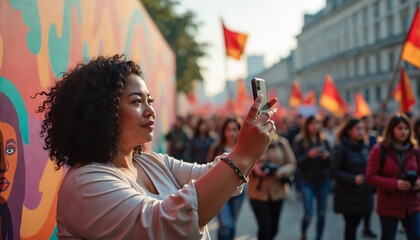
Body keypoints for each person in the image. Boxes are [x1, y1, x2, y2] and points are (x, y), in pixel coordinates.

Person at [35, 54, 278, 239]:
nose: (150, 110)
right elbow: (165, 225)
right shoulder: (85, 182)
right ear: (101, 112)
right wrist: (243, 154)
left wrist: (250, 148)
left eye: (149, 100)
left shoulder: (152, 161)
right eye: (136, 101)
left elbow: (213, 178)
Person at [366, 113, 420, 240]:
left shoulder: (415, 150)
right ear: (392, 130)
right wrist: (394, 184)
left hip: (411, 204)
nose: (403, 132)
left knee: (416, 236)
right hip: (389, 205)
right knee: (388, 237)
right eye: (399, 128)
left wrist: (418, 182)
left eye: (406, 128)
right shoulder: (379, 150)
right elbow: (371, 176)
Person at [330, 118, 374, 240]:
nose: (361, 131)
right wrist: (352, 179)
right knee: (351, 228)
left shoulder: (364, 146)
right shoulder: (341, 148)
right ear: (349, 131)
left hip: (363, 194)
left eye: (362, 128)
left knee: (356, 225)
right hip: (347, 196)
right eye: (358, 129)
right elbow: (334, 171)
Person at [247, 135, 296, 240]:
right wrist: (254, 168)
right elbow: (243, 163)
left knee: (274, 228)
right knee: (265, 227)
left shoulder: (281, 143)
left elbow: (292, 163)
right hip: (257, 192)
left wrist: (281, 171)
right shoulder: (252, 143)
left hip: (278, 192)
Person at [206, 117, 245, 240]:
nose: (232, 133)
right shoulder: (217, 148)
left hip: (238, 192)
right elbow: (208, 168)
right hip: (220, 192)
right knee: (225, 224)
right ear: (224, 131)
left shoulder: (243, 148)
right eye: (228, 129)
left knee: (232, 224)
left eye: (235, 129)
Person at [293, 115, 331, 240]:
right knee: (308, 213)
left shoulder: (324, 141)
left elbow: (331, 163)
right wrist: (309, 155)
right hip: (306, 181)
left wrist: (326, 157)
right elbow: (297, 162)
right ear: (307, 126)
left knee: (321, 214)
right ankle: (303, 233)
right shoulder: (299, 141)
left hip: (322, 181)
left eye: (317, 123)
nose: (315, 126)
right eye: (312, 124)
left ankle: (318, 237)